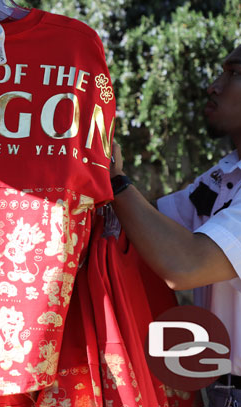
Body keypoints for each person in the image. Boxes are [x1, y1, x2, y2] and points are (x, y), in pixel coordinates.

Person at [110, 44, 241, 406]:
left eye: (235, 74)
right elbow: (147, 229)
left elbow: (184, 264)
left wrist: (115, 181)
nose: (214, 86)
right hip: (221, 389)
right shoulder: (226, 174)